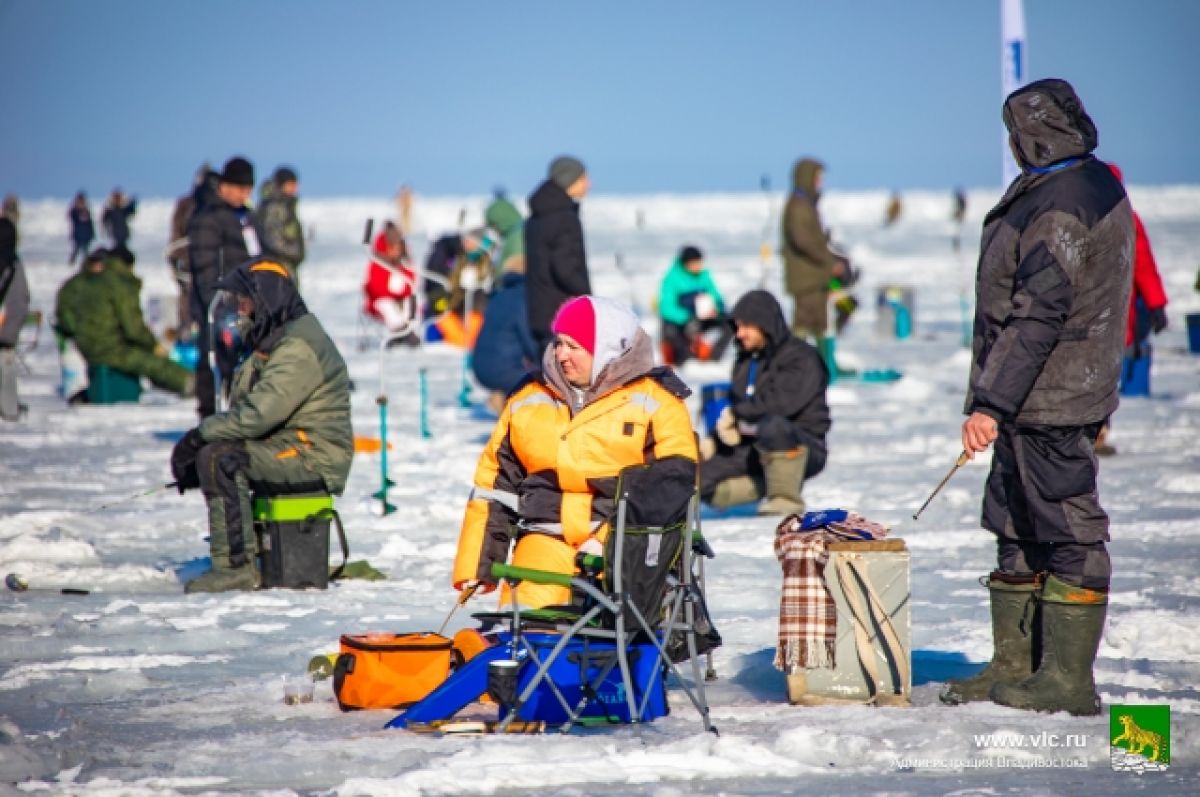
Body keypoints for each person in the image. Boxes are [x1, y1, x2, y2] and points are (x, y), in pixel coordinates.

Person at [940, 79, 1134, 717]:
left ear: (1035, 133)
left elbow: (1038, 315)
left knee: (1066, 524)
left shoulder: (1063, 201)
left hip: (1051, 393)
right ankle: (1015, 663)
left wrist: (989, 403)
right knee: (1015, 519)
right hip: (1036, 392)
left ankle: (1067, 680)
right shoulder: (1072, 181)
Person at [452, 295, 697, 609]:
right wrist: (477, 565)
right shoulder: (529, 398)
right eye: (559, 343)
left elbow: (670, 484)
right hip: (546, 537)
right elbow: (494, 486)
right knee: (523, 618)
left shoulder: (657, 402)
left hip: (626, 546)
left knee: (607, 628)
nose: (561, 354)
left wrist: (612, 539)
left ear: (607, 349)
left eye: (574, 346)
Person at [170, 258, 353, 593]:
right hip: (288, 446)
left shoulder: (298, 346)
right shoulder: (274, 338)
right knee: (218, 453)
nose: (241, 307)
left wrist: (197, 437)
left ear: (269, 296)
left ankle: (236, 568)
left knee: (222, 458)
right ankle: (243, 556)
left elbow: (257, 416)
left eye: (246, 297)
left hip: (313, 455)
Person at [699, 290, 829, 516]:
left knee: (774, 426)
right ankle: (758, 490)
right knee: (697, 478)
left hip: (801, 444)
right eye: (737, 327)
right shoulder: (746, 361)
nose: (740, 334)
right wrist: (715, 440)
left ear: (765, 324)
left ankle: (785, 499)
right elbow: (740, 403)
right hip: (753, 445)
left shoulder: (801, 357)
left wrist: (737, 415)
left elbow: (781, 404)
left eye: (746, 327)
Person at [1093, 162, 1170, 456]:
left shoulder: (1127, 220)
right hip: (1097, 317)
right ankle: (1091, 432)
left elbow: (1143, 264)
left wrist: (1156, 303)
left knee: (1105, 376)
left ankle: (1098, 432)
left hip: (1116, 315)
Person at [68, 246, 194, 397]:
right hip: (108, 347)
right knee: (151, 362)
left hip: (86, 344)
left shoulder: (90, 281)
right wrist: (153, 346)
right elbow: (134, 328)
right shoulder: (120, 284)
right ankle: (190, 383)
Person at [187, 156, 258, 418]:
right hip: (219, 306)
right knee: (216, 365)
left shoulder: (244, 216)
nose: (245, 195)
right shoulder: (209, 217)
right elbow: (205, 266)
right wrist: (217, 304)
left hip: (246, 305)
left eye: (249, 190)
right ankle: (211, 426)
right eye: (241, 189)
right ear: (225, 185)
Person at [525, 155, 591, 351]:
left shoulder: (536, 217)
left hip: (539, 311)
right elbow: (565, 268)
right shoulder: (565, 218)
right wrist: (587, 299)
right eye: (583, 178)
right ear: (568, 180)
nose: (589, 183)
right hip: (563, 314)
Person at [781, 158, 839, 345]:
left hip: (815, 275)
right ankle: (795, 362)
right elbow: (802, 240)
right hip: (805, 275)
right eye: (817, 177)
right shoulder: (798, 205)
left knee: (820, 321)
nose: (820, 181)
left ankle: (825, 362)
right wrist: (827, 261)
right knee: (804, 321)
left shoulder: (807, 203)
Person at [471, 257, 539, 413]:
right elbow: (528, 337)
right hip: (502, 371)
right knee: (538, 383)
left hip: (479, 365)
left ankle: (502, 401)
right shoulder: (522, 298)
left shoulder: (498, 296)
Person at [658, 244, 731, 366]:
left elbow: (716, 298)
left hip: (702, 318)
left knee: (730, 323)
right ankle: (684, 360)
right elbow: (666, 307)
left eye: (699, 262)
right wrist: (687, 317)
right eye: (695, 263)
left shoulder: (704, 276)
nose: (698, 266)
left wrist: (717, 310)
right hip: (681, 322)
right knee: (672, 331)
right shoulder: (672, 278)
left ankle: (713, 358)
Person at [54, 248, 108, 404]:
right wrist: (77, 331)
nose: (99, 268)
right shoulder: (76, 284)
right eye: (96, 264)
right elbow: (64, 311)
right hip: (78, 338)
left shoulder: (107, 286)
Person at [362, 221, 418, 336]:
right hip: (380, 301)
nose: (396, 252)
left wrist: (401, 291)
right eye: (393, 248)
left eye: (399, 248)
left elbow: (412, 283)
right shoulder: (378, 263)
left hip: (401, 299)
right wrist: (392, 292)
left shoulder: (404, 264)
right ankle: (398, 332)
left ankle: (408, 330)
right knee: (387, 306)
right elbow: (375, 288)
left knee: (410, 303)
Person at [0, 217, 30, 421]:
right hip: (4, 329)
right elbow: (19, 300)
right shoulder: (12, 263)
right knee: (6, 367)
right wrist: (9, 334)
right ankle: (9, 410)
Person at [256, 166, 306, 284]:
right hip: (276, 268)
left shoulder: (286, 206)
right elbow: (273, 238)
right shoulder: (274, 207)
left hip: (286, 267)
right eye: (291, 184)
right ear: (281, 184)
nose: (295, 188)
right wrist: (294, 252)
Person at [484, 193, 525, 277]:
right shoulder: (512, 236)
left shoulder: (517, 237)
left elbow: (517, 268)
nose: (495, 230)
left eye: (493, 224)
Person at [67, 192, 96, 266]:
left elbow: (90, 224)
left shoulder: (86, 211)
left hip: (86, 235)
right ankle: (71, 263)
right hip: (78, 235)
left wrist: (92, 233)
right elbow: (72, 218)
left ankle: (87, 263)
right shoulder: (75, 211)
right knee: (76, 250)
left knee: (86, 251)